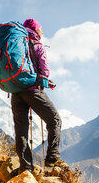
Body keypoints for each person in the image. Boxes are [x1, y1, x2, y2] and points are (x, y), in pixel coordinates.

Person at [11, 18, 65, 173]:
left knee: (21, 130)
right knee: (55, 120)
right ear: (35, 29)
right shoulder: (37, 44)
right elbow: (44, 71)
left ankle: (25, 167)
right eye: (41, 29)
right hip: (33, 90)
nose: (42, 32)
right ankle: (52, 159)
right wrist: (46, 82)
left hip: (15, 91)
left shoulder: (16, 44)